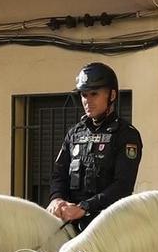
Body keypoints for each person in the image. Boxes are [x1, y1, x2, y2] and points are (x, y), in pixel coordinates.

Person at [48, 63, 142, 232]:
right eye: (84, 95)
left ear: (112, 95)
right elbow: (58, 175)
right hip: (70, 222)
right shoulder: (74, 133)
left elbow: (123, 186)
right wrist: (57, 199)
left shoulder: (126, 135)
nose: (87, 100)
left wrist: (84, 207)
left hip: (109, 225)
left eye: (94, 94)